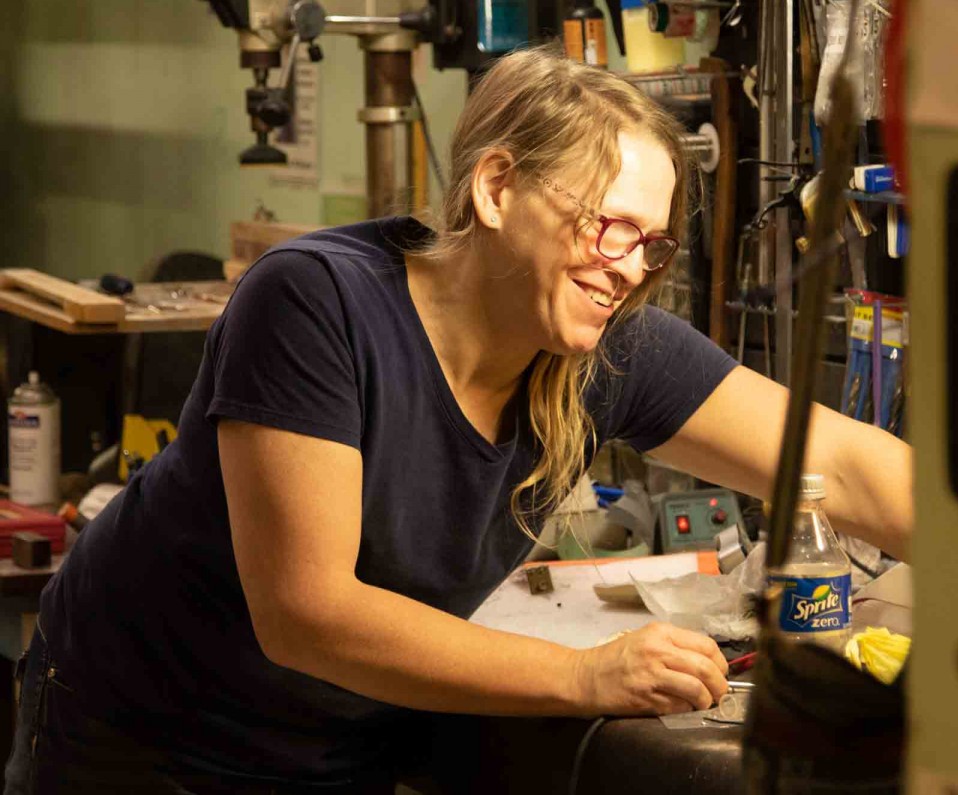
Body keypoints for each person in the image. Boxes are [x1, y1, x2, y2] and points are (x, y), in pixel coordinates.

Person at [4, 45, 912, 794]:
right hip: (147, 735)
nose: (632, 268)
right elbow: (307, 613)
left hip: (337, 742)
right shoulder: (316, 303)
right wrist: (584, 673)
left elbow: (839, 462)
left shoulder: (610, 347)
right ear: (496, 187)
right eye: (610, 226)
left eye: (654, 243)